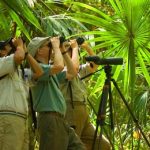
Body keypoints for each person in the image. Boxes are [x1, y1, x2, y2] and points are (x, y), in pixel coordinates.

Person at [27, 36, 85, 150]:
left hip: (60, 119)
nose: (52, 48)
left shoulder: (49, 70)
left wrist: (63, 51)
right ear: (39, 50)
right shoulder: (36, 69)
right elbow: (59, 66)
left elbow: (72, 72)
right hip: (49, 119)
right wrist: (56, 47)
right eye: (49, 46)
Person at [58, 39, 111, 150]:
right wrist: (75, 48)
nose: (71, 50)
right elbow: (74, 69)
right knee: (73, 146)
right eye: (67, 48)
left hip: (83, 110)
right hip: (70, 109)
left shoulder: (77, 71)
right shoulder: (58, 69)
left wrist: (86, 47)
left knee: (103, 145)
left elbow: (94, 65)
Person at [0, 37, 43, 150]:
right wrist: (19, 46)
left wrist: (26, 52)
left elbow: (39, 72)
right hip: (8, 118)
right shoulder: (1, 64)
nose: (14, 48)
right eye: (10, 46)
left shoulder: (21, 73)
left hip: (21, 121)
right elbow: (18, 57)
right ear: (2, 52)